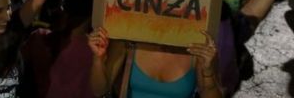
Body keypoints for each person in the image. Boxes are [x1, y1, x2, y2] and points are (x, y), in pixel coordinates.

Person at [88, 28, 222, 98]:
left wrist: (208, 70)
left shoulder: (197, 47)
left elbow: (209, 93)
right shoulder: (130, 40)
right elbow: (99, 90)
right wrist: (98, 59)